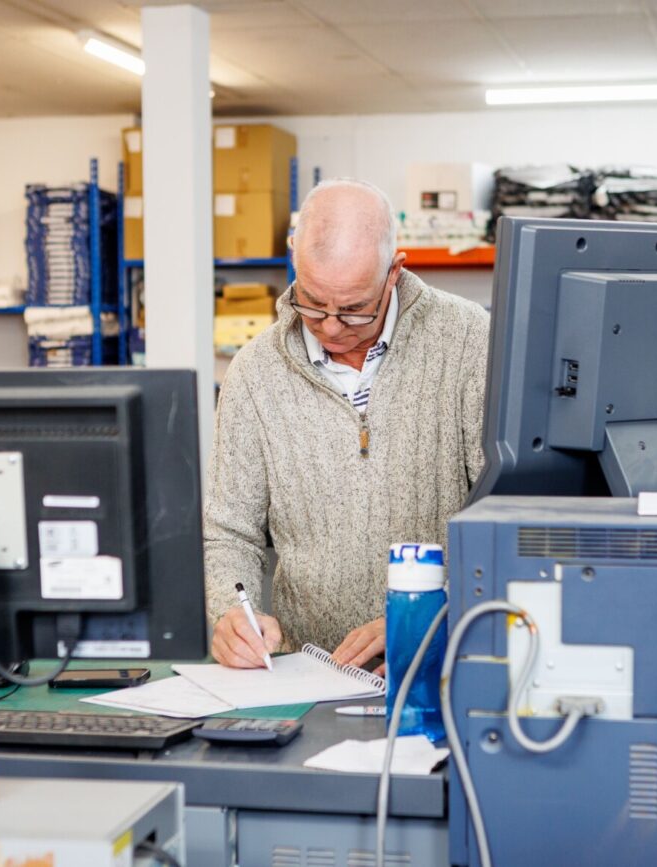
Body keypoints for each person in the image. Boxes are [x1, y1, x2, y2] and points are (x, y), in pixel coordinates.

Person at [203, 178, 490, 671]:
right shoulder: (254, 373)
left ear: (394, 272)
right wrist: (232, 612)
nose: (332, 326)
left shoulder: (471, 343)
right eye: (312, 303)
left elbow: (506, 520)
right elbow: (230, 532)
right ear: (294, 256)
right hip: (308, 675)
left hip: (447, 665)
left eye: (355, 309)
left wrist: (427, 615)